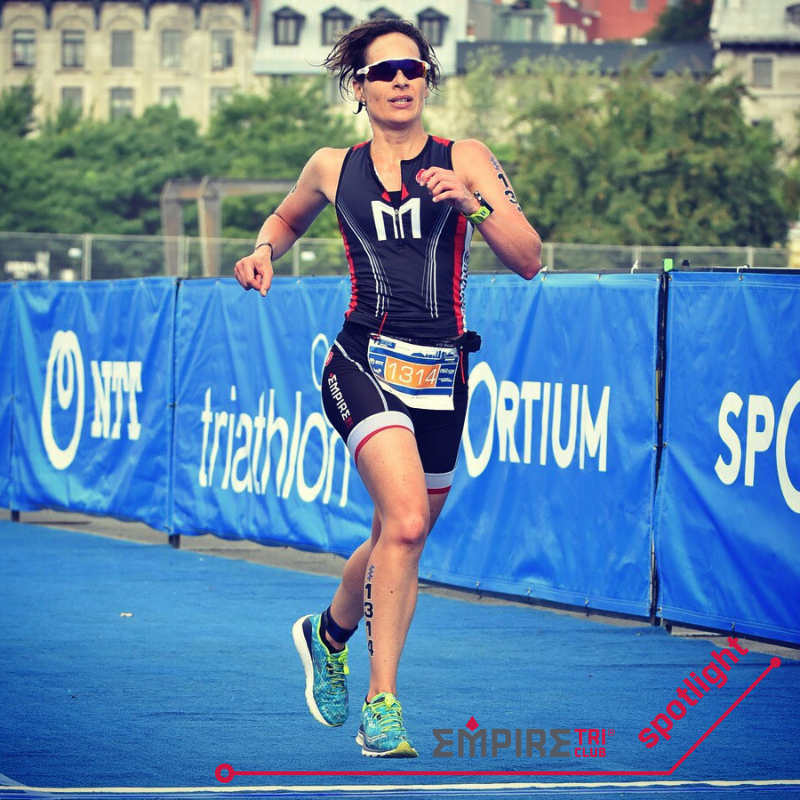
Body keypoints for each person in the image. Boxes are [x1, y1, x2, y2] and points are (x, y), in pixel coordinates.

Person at [234, 18, 542, 758]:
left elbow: (530, 257)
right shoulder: (330, 166)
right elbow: (285, 218)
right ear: (359, 86)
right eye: (383, 71)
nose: (401, 80)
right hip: (360, 361)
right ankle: (383, 706)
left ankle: (327, 633)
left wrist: (473, 205)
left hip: (442, 373)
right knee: (403, 524)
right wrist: (263, 250)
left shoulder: (465, 157)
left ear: (427, 80)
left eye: (413, 68)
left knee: (395, 535)